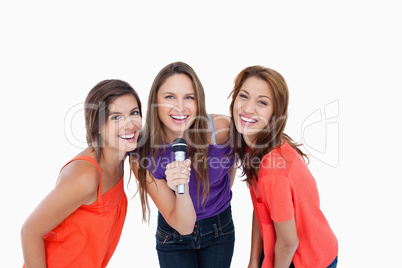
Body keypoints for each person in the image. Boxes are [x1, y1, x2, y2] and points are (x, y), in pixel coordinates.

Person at [21, 79, 143, 267]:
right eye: (116, 117)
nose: (130, 125)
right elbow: (30, 232)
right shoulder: (85, 176)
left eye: (134, 113)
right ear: (97, 126)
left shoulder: (122, 154)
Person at [229, 66, 338, 268]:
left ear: (275, 113)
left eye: (262, 102)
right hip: (279, 248)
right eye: (243, 96)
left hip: (307, 259)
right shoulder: (254, 145)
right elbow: (261, 207)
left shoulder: (273, 170)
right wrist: (253, 261)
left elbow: (288, 243)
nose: (247, 108)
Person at [132, 61, 236, 268]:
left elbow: (229, 166)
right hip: (174, 235)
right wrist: (182, 188)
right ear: (155, 101)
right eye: (169, 97)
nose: (180, 107)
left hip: (220, 230)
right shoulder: (141, 155)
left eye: (189, 97)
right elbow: (183, 225)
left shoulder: (221, 130)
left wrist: (215, 199)